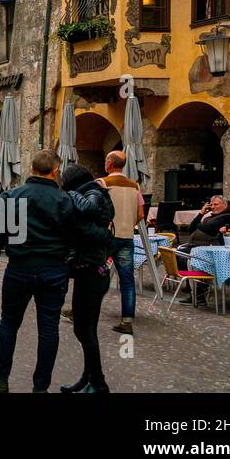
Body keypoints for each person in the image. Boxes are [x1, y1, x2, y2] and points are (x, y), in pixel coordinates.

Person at [0, 149, 76, 394]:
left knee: (9, 323)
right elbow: (74, 237)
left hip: (20, 268)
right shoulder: (65, 200)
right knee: (49, 328)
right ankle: (40, 387)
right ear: (55, 171)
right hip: (54, 270)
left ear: (31, 168)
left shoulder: (11, 196)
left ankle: (0, 378)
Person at [60, 163, 115, 394]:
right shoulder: (93, 192)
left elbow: (89, 215)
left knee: (85, 330)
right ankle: (89, 377)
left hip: (92, 271)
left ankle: (98, 382)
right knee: (84, 329)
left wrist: (70, 195)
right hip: (88, 270)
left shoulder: (91, 194)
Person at [99, 150, 142, 335]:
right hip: (127, 236)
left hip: (106, 236)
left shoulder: (102, 183)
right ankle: (127, 320)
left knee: (94, 274)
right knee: (127, 280)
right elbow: (140, 214)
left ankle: (82, 311)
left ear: (110, 163)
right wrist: (128, 224)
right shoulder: (135, 186)